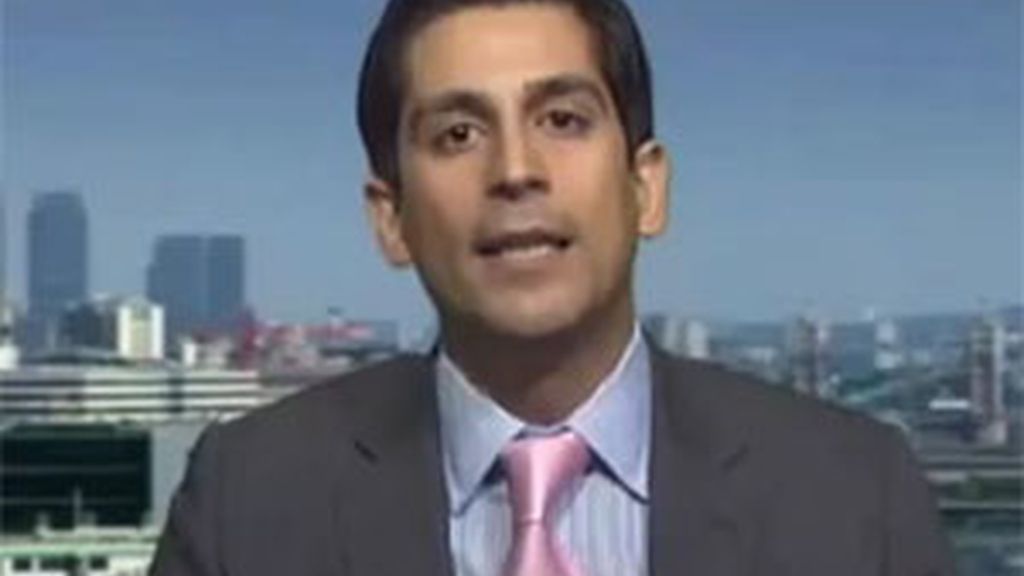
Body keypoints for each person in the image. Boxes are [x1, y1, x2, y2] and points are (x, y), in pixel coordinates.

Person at [150, 0, 957, 574]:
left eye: (563, 119)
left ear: (646, 188)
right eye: (458, 134)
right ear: (390, 217)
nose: (515, 170)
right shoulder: (246, 502)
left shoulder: (856, 497)